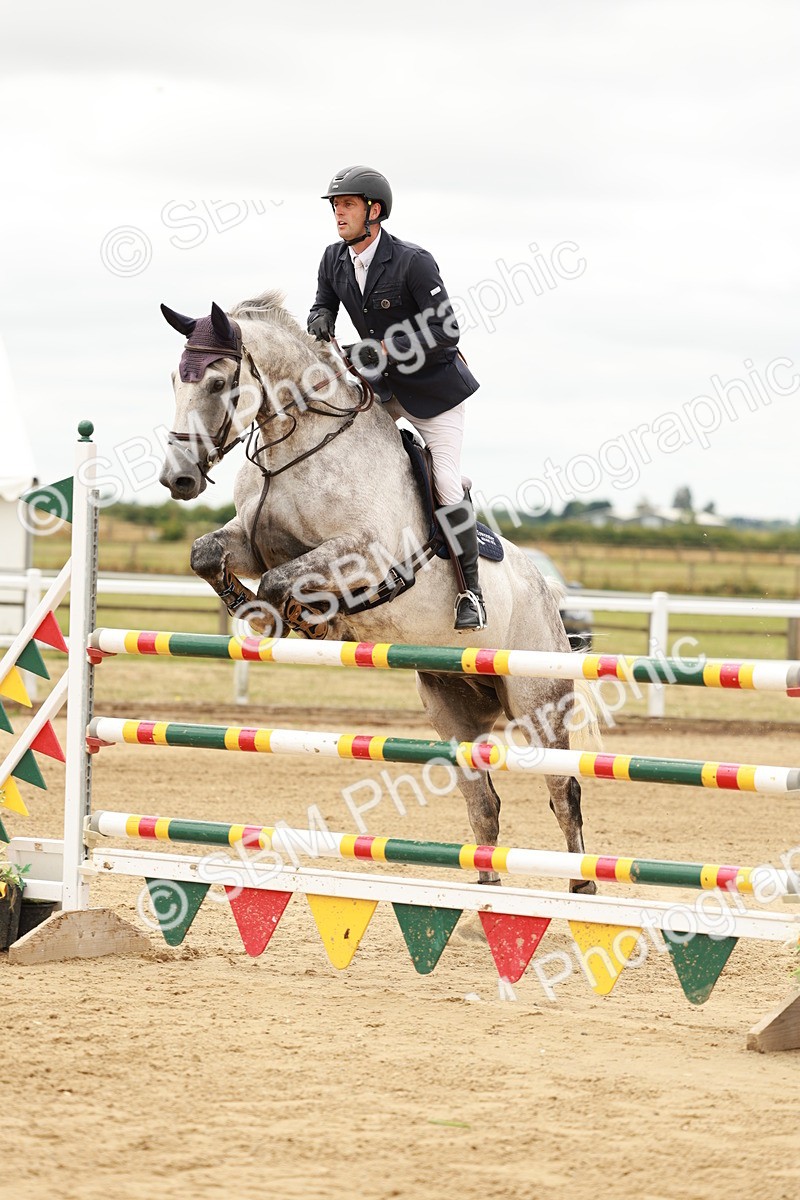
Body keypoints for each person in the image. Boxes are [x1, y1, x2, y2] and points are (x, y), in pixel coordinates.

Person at [307, 165, 486, 631]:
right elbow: (322, 301)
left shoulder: (412, 261)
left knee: (445, 481)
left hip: (434, 392)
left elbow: (446, 330)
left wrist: (384, 349)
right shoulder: (334, 259)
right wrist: (320, 319)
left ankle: (471, 592)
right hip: (382, 389)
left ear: (374, 210)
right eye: (334, 206)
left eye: (346, 205)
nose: (337, 214)